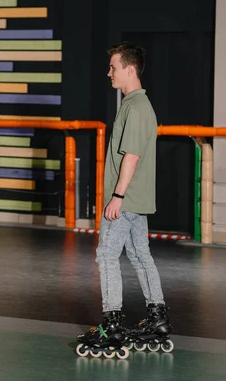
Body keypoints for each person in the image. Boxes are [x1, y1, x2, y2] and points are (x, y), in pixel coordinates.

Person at [76, 42, 172, 359]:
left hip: (125, 199)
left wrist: (116, 196)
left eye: (114, 67)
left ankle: (112, 325)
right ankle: (157, 317)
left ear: (130, 69)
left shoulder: (135, 107)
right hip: (137, 199)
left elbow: (131, 156)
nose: (109, 72)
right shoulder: (139, 105)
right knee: (140, 255)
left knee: (106, 255)